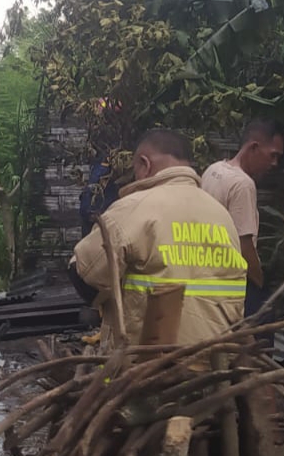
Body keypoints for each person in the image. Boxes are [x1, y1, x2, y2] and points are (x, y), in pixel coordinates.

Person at [71, 129, 246, 349]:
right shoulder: (222, 216)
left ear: (145, 164)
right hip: (216, 358)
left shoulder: (134, 208)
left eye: (135, 169)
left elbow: (84, 275)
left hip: (148, 362)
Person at [201, 119, 284, 316]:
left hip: (205, 272)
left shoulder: (214, 169)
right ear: (254, 147)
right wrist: (259, 281)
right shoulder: (243, 184)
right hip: (231, 278)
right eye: (272, 155)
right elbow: (244, 245)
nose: (274, 163)